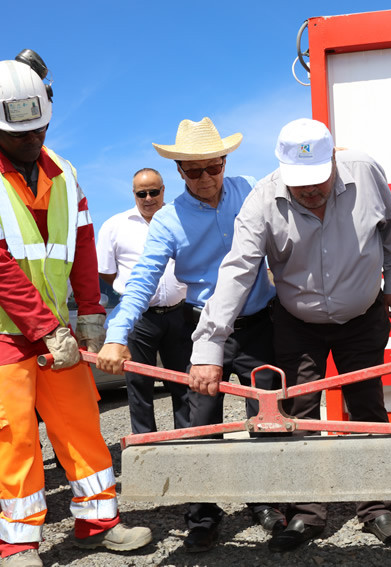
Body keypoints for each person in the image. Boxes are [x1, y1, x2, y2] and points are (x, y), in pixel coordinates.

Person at [0, 51, 151, 566]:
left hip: (53, 326)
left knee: (79, 422)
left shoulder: (65, 172)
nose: (32, 142)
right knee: (12, 437)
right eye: (19, 135)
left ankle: (98, 520)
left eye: (40, 130)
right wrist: (46, 328)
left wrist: (91, 317)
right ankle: (18, 543)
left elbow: (81, 248)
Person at [189, 118, 391, 553]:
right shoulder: (261, 202)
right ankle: (308, 513)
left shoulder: (366, 171)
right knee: (299, 414)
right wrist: (209, 345)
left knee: (367, 406)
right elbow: (236, 271)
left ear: (334, 158)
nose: (311, 193)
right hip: (297, 323)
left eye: (318, 182)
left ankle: (378, 508)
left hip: (362, 317)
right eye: (300, 185)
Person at [95, 117, 284, 553]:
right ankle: (203, 513)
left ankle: (270, 501)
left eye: (212, 168)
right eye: (193, 171)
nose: (205, 179)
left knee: (269, 419)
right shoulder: (167, 221)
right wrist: (116, 333)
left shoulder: (253, 192)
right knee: (200, 426)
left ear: (225, 161)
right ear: (179, 171)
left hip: (259, 326)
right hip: (202, 333)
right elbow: (141, 280)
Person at [96, 168, 190, 434]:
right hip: (139, 319)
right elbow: (105, 271)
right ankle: (146, 444)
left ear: (164, 190)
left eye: (154, 192)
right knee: (139, 385)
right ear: (134, 193)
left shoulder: (180, 219)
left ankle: (188, 441)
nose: (148, 198)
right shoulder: (114, 226)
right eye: (142, 193)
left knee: (183, 382)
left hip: (179, 314)